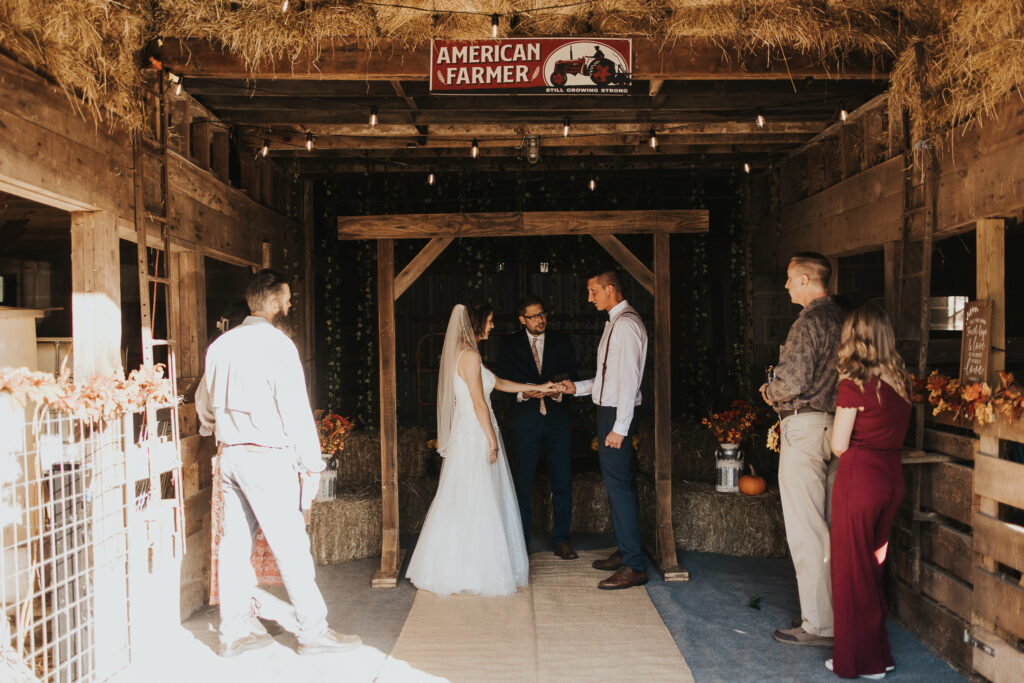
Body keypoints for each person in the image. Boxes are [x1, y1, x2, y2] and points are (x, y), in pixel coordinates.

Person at [196, 269, 360, 657]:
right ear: (272, 303)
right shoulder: (278, 346)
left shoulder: (219, 346)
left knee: (234, 546)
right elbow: (296, 412)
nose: (288, 305)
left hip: (230, 455)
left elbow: (203, 403)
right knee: (291, 546)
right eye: (286, 300)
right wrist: (312, 465)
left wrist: (213, 427)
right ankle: (313, 632)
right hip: (266, 458)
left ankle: (234, 633)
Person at [406, 302, 559, 596]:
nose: (492, 326)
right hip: (476, 433)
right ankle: (475, 569)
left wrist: (540, 387)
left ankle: (457, 563)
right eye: (489, 321)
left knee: (466, 495)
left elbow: (497, 382)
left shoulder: (465, 353)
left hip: (471, 431)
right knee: (479, 495)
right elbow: (478, 403)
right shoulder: (471, 355)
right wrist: (492, 439)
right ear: (477, 323)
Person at [759, 252, 844, 647]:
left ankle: (820, 625)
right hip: (838, 426)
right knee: (830, 524)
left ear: (808, 280)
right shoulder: (843, 319)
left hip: (806, 426)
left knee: (807, 528)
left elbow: (791, 382)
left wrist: (768, 390)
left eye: (791, 278)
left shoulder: (808, 322)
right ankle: (834, 613)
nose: (787, 285)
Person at [826, 304, 911, 680]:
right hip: (892, 477)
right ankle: (879, 653)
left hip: (860, 478)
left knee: (851, 569)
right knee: (872, 568)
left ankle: (860, 662)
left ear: (854, 336)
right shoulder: (901, 380)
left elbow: (839, 444)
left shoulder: (855, 382)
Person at [561, 268, 648, 590]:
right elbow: (609, 378)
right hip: (610, 411)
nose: (589, 298)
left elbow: (628, 381)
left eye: (593, 291)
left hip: (616, 415)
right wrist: (577, 388)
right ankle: (626, 552)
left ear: (610, 289)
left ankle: (635, 565)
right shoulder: (615, 322)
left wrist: (620, 427)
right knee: (618, 486)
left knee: (620, 487)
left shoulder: (625, 325)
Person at [498, 295, 579, 560]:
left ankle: (562, 539)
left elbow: (574, 376)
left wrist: (558, 392)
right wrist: (523, 394)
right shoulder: (509, 345)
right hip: (525, 423)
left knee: (562, 481)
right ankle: (521, 541)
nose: (540, 320)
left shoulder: (562, 341)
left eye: (542, 314)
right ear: (522, 319)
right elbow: (500, 383)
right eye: (533, 316)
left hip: (558, 421)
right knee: (522, 484)